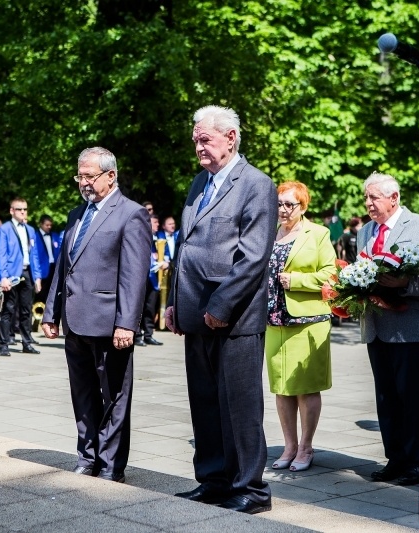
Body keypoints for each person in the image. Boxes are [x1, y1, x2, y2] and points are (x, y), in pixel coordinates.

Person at [166, 105, 277, 514]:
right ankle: (213, 479)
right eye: (195, 140)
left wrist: (221, 305)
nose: (198, 147)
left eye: (204, 139)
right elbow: (187, 248)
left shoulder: (255, 184)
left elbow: (252, 257)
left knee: (240, 406)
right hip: (196, 313)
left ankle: (250, 488)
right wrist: (175, 302)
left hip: (234, 318)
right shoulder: (200, 183)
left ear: (230, 138)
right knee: (205, 401)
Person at [41, 146, 150, 483]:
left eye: (90, 176)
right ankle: (87, 457)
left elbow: (134, 275)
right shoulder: (77, 215)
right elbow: (64, 266)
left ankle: (111, 464)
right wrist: (51, 312)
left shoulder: (130, 214)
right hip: (75, 322)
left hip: (109, 324)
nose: (84, 183)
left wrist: (126, 323)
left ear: (110, 176)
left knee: (114, 397)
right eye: (80, 176)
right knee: (83, 394)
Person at [358, 172, 419, 486]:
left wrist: (404, 282)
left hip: (409, 326)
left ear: (394, 198)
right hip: (376, 326)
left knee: (411, 396)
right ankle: (394, 458)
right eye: (366, 198)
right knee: (386, 396)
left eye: (373, 198)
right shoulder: (365, 230)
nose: (368, 204)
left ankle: (416, 461)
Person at [267, 181, 337, 473]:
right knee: (281, 388)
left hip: (308, 321)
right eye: (279, 203)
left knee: (305, 389)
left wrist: (297, 281)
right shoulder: (270, 233)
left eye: (289, 204)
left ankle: (306, 447)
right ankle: (289, 446)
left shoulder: (318, 234)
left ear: (303, 206)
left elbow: (331, 275)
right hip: (274, 320)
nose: (283, 210)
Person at [0, 198, 42, 356]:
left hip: (27, 272)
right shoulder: (5, 229)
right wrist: (4, 276)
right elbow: (1, 254)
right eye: (19, 209)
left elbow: (34, 254)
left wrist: (37, 277)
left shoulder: (30, 229)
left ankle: (27, 343)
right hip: (11, 274)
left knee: (26, 310)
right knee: (8, 309)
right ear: (11, 211)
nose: (23, 212)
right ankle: (4, 344)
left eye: (25, 209)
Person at [135, 214, 167, 347]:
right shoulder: (139, 237)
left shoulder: (156, 240)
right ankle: (137, 336)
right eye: (154, 223)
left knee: (150, 308)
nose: (157, 226)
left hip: (152, 279)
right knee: (137, 309)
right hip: (140, 279)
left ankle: (148, 334)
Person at [34, 215, 63, 305]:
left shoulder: (55, 235)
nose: (49, 227)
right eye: (47, 225)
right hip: (42, 269)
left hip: (53, 267)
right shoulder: (35, 236)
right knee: (41, 292)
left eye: (50, 225)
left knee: (52, 292)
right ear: (41, 224)